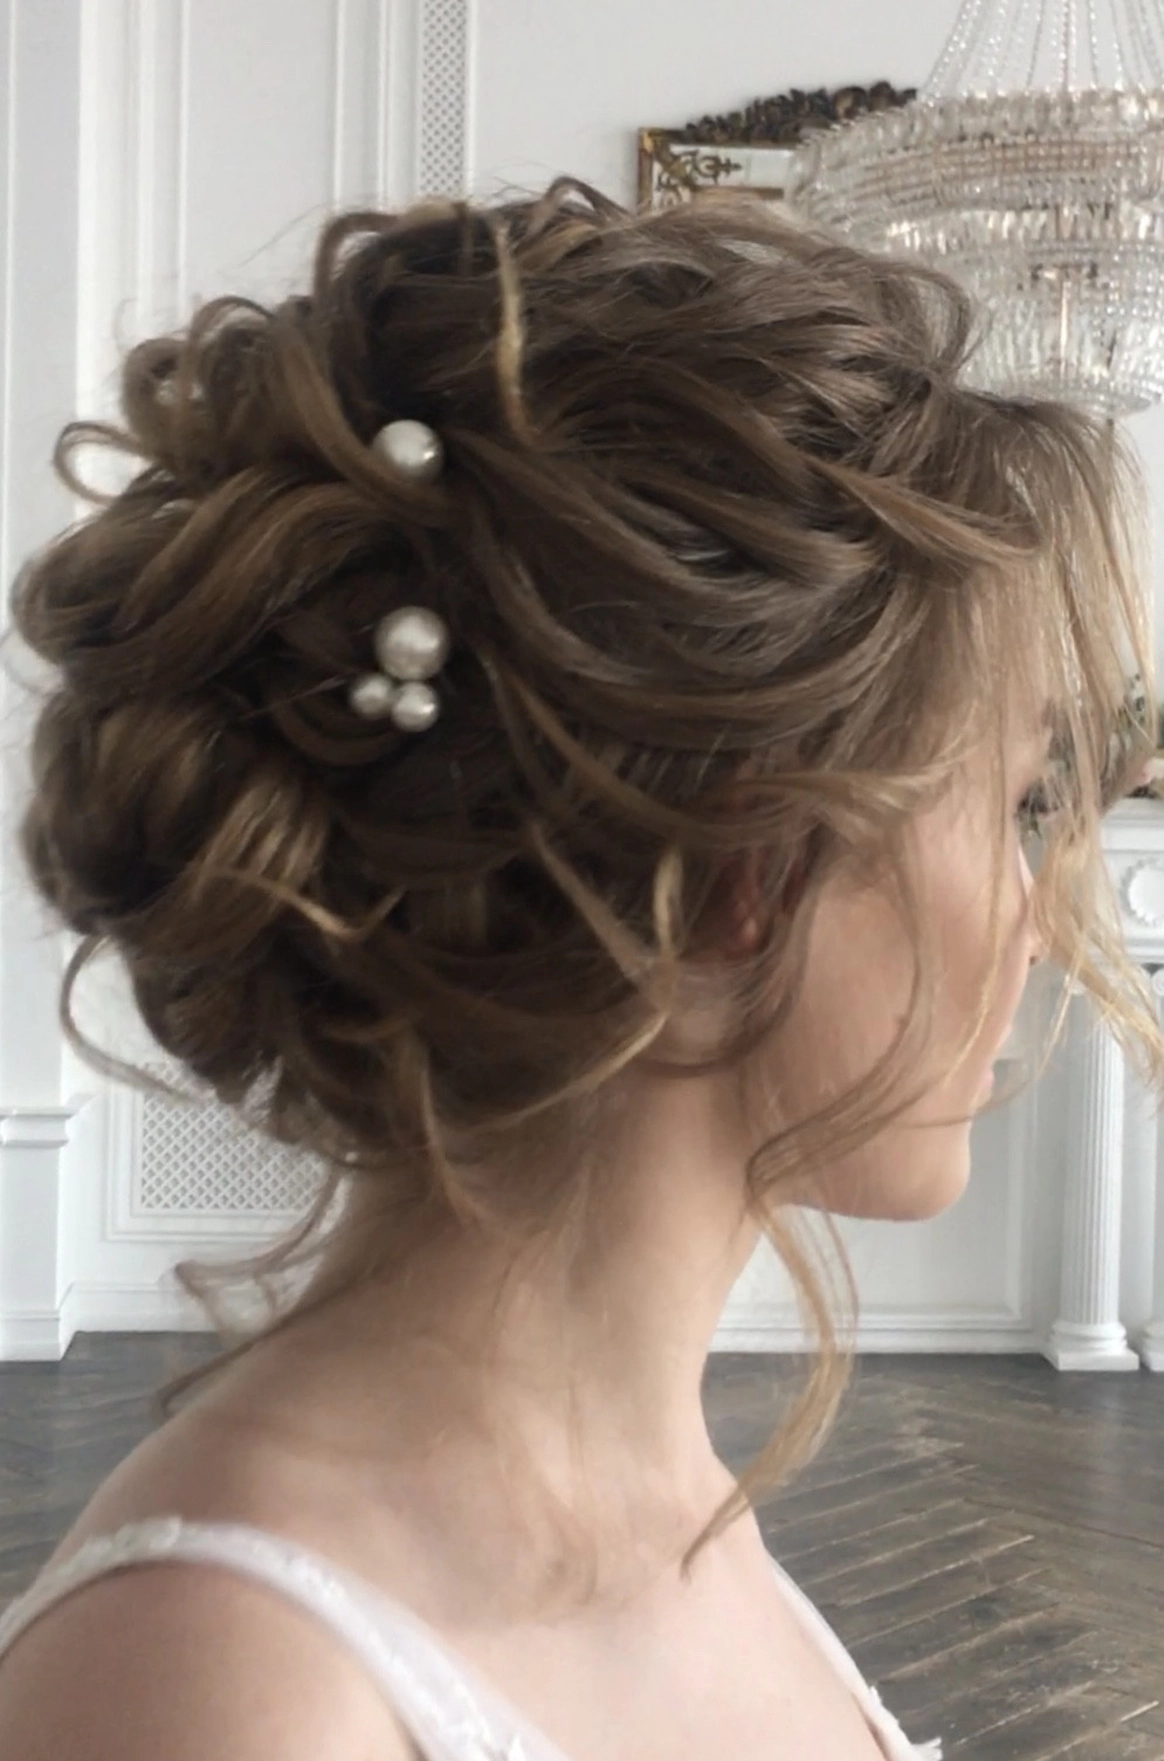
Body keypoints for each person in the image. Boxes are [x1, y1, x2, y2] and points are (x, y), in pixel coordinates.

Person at [0, 177, 1160, 1761]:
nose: (1040, 924)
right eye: (1019, 804)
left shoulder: (675, 1501)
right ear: (752, 861)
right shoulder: (229, 1694)